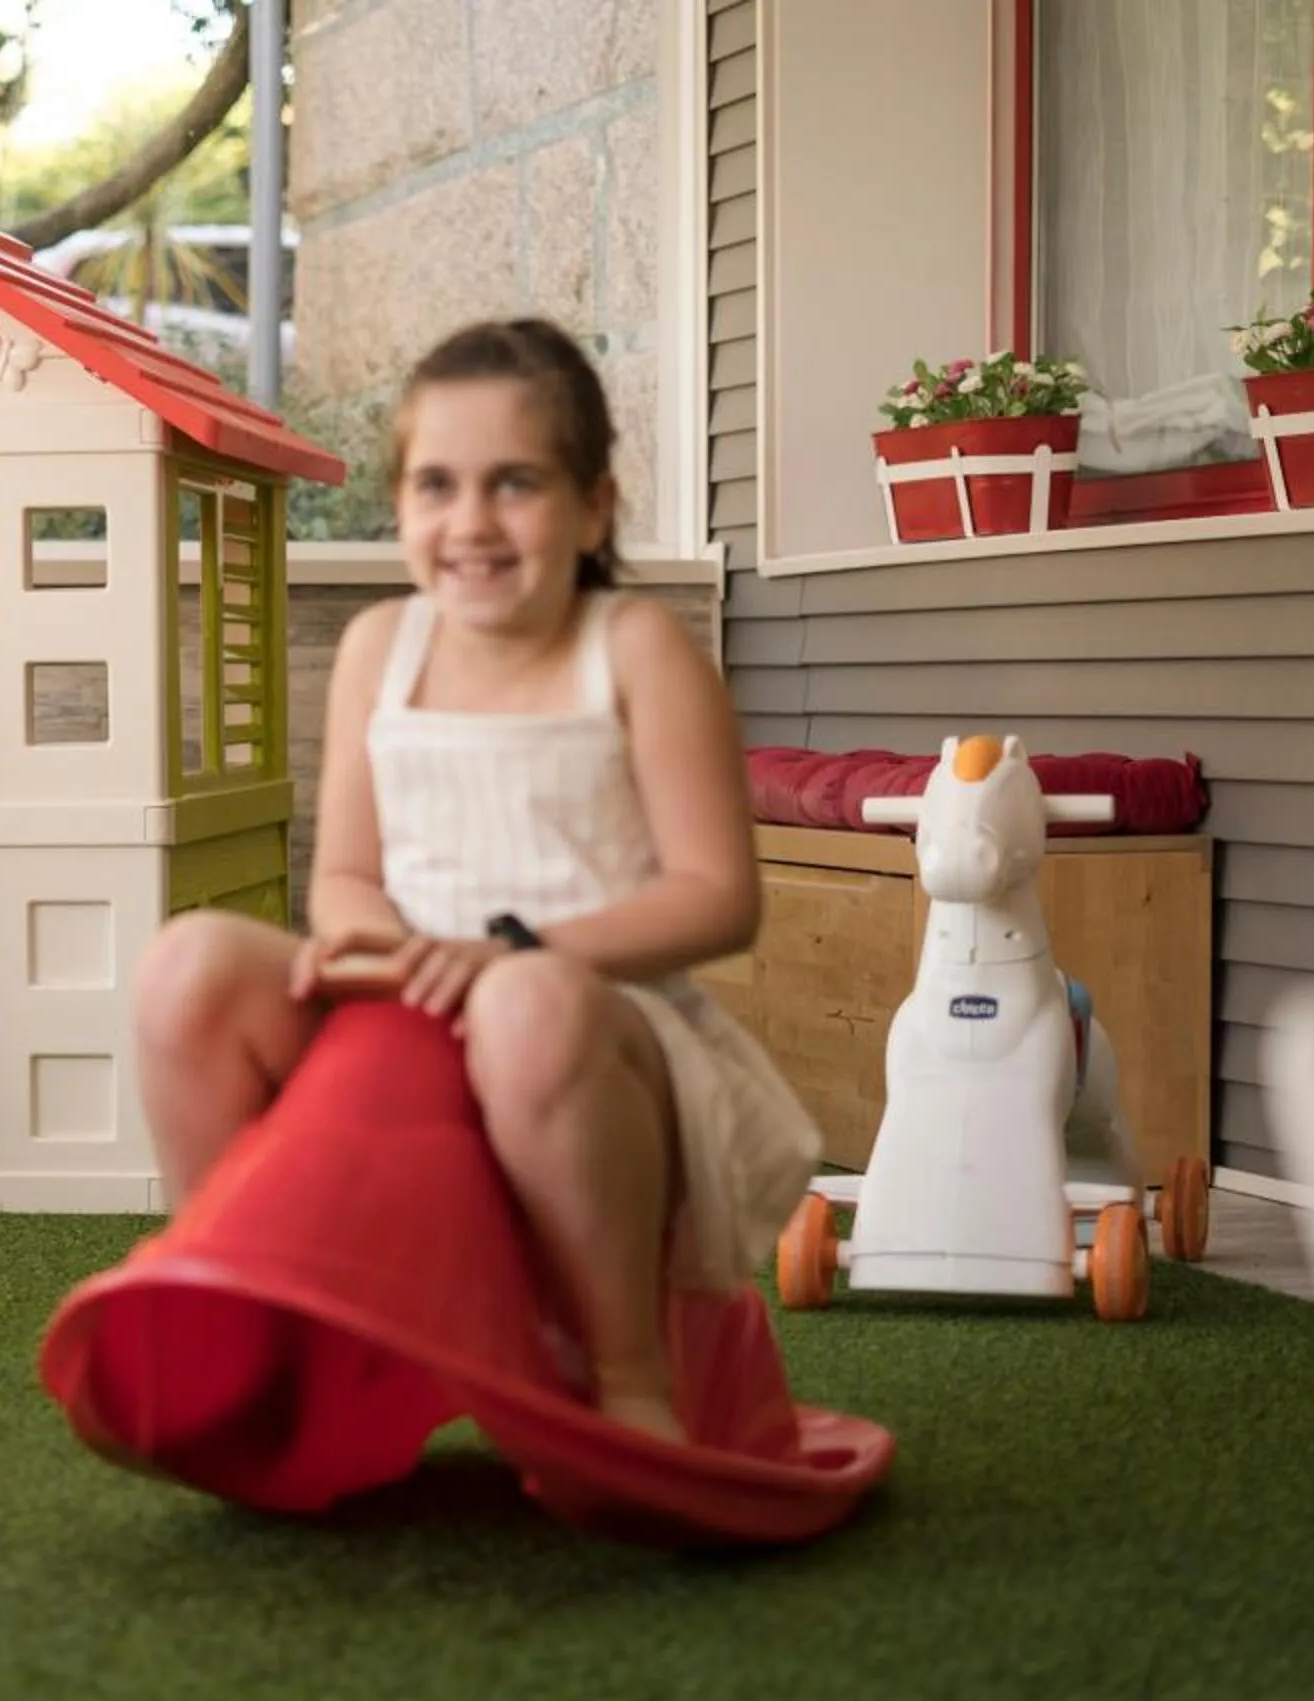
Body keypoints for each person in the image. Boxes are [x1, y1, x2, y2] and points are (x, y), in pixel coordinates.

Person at [130, 317, 821, 1445]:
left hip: (599, 1023)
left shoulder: (638, 648)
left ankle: (625, 1373)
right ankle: (230, 1303)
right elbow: (347, 875)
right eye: (436, 486)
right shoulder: (379, 649)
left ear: (594, 507)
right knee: (189, 965)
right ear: (399, 504)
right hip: (417, 1004)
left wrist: (512, 956)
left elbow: (715, 897)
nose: (470, 524)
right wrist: (376, 944)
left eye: (515, 484)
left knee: (526, 1002)